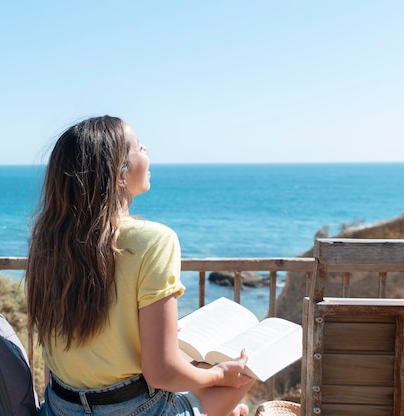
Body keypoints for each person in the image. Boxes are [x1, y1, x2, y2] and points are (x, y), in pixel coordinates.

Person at [26, 115, 255, 416]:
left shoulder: (48, 240)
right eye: (138, 147)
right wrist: (220, 375)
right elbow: (162, 373)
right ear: (119, 174)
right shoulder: (155, 241)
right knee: (243, 375)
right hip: (137, 409)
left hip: (60, 406)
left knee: (200, 371)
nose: (146, 149)